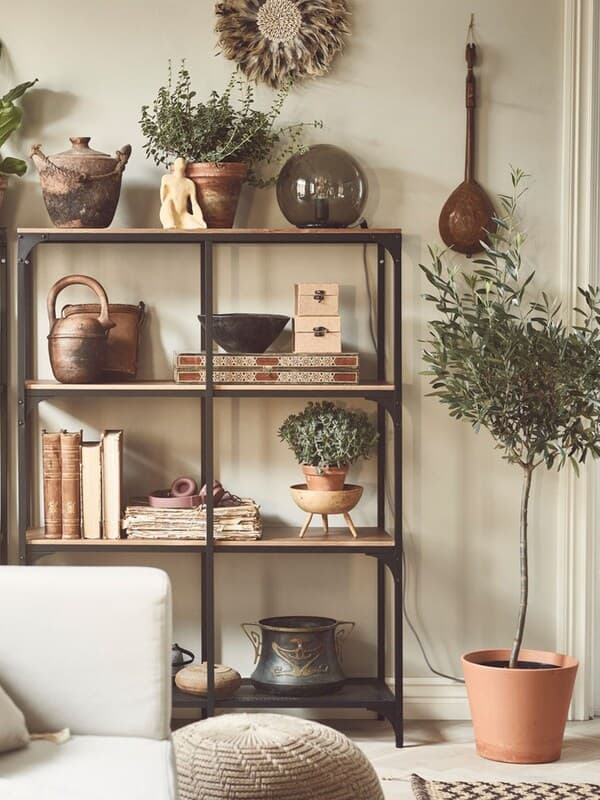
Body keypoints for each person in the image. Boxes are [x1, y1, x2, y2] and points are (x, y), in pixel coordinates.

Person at [159, 157, 207, 229]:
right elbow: (163, 198)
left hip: (183, 215)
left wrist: (199, 219)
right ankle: (171, 222)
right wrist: (168, 210)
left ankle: (180, 223)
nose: (180, 163)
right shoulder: (166, 179)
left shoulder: (189, 183)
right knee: (169, 202)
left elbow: (194, 203)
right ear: (174, 165)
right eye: (178, 162)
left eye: (182, 162)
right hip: (169, 211)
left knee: (200, 226)